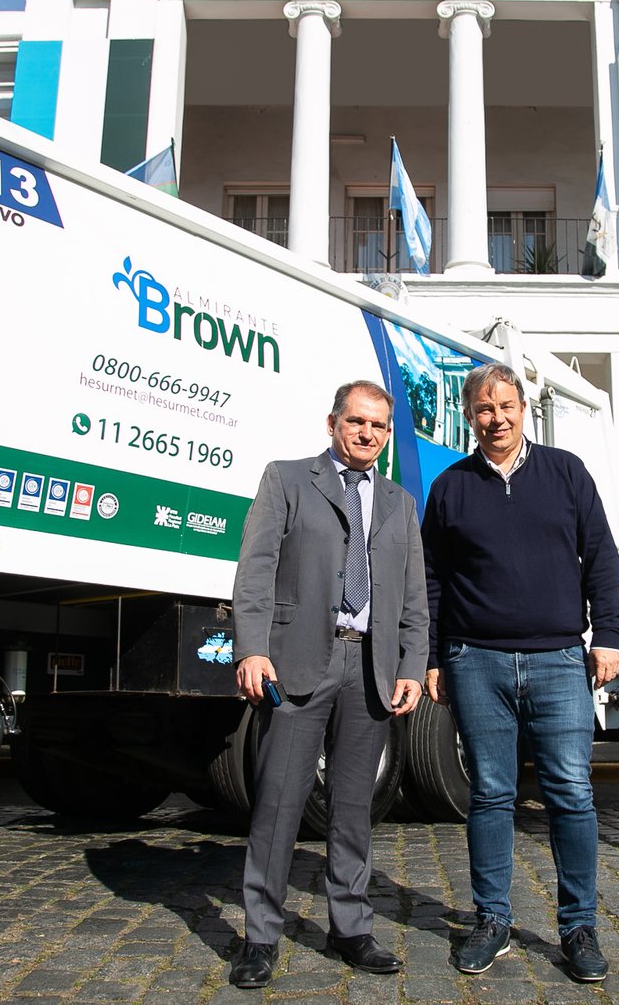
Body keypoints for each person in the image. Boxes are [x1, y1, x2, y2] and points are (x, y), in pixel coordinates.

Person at [421, 362, 619, 983]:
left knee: (571, 793)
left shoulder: (566, 472)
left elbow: (602, 557)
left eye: (506, 406)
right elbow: (430, 580)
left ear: (524, 408)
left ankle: (579, 927)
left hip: (558, 659)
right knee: (490, 793)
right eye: (484, 409)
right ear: (469, 415)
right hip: (475, 660)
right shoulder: (450, 487)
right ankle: (492, 920)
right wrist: (433, 655)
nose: (497, 418)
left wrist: (608, 635)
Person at [229, 380, 428, 989]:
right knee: (279, 804)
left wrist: (412, 666)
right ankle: (261, 937)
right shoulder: (287, 479)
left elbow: (414, 596)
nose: (368, 433)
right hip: (298, 663)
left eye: (379, 425)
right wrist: (252, 648)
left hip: (370, 669)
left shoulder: (399, 503)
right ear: (333, 423)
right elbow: (256, 568)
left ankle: (351, 927)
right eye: (357, 421)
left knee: (353, 808)